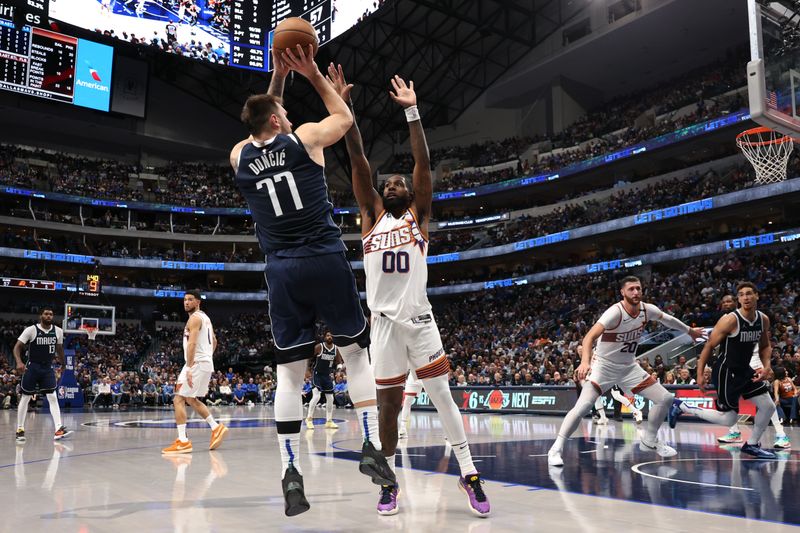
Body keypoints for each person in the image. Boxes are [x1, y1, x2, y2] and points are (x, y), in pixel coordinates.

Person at [229, 47, 394, 516]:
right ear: (280, 122)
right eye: (283, 111)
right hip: (323, 257)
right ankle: (368, 446)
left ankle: (291, 472)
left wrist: (277, 80)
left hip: (281, 270)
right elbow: (343, 117)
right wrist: (312, 74)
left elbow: (261, 120)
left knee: (289, 375)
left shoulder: (239, 156)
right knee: (356, 354)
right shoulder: (304, 140)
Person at [331, 64, 489, 517]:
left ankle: (469, 473)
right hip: (382, 328)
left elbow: (423, 163)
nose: (394, 185)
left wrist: (414, 113)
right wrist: (347, 111)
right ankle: (388, 481)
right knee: (387, 411)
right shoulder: (371, 217)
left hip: (420, 322)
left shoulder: (418, 219)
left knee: (442, 398)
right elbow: (358, 159)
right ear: (380, 195)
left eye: (399, 183)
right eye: (389, 184)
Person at [548, 276, 705, 467]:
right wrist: (584, 362)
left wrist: (689, 331)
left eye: (638, 288)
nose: (636, 292)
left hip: (629, 367)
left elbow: (669, 320)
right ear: (622, 292)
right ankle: (556, 448)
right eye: (631, 289)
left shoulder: (647, 310)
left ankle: (649, 439)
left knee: (665, 399)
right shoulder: (614, 312)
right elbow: (589, 337)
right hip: (603, 366)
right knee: (582, 407)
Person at [669, 282, 778, 459]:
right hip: (727, 371)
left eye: (749, 293)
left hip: (744, 369)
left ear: (757, 295)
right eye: (741, 295)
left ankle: (751, 445)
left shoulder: (763, 319)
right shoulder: (730, 320)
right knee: (729, 419)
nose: (746, 297)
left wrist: (767, 367)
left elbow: (765, 346)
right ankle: (682, 406)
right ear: (738, 299)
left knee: (768, 406)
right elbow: (708, 346)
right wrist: (699, 374)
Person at [162, 290, 228, 455]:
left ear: (198, 302)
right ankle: (216, 427)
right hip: (204, 363)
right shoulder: (206, 318)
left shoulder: (194, 318)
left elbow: (191, 344)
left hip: (195, 364)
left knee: (178, 399)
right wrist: (207, 358)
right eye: (185, 300)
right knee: (190, 399)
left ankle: (183, 442)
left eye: (190, 300)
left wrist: (191, 367)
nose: (186, 302)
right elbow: (214, 341)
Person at [13, 307, 71, 442]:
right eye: (46, 314)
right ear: (41, 316)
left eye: (51, 314)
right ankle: (20, 429)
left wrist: (63, 364)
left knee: (52, 396)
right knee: (26, 397)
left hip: (47, 368)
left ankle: (58, 429)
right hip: (32, 367)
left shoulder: (58, 331)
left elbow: (59, 349)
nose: (49, 316)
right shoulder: (31, 330)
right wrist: (19, 362)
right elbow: (17, 347)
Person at [305, 332, 341, 430]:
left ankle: (329, 421)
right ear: (325, 337)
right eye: (328, 335)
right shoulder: (319, 347)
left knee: (331, 399)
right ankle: (309, 419)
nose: (330, 337)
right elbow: (308, 357)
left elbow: (339, 363)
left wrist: (338, 372)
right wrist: (307, 369)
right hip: (317, 375)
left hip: (327, 376)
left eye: (331, 335)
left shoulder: (336, 349)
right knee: (316, 396)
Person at [398, 370, 423, 439]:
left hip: (428, 371)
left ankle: (448, 430)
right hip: (413, 374)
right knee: (407, 401)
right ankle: (403, 429)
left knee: (438, 401)